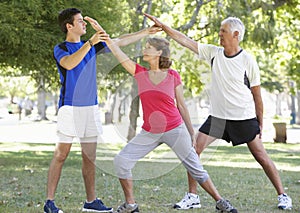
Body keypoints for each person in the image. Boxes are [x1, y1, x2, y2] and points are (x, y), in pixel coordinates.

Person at [144, 13, 293, 211]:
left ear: (236, 34)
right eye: (220, 31)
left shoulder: (248, 60)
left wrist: (260, 123)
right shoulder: (214, 53)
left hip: (243, 118)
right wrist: (164, 26)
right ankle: (192, 196)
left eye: (223, 31)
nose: (219, 34)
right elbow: (185, 41)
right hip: (218, 118)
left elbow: (257, 95)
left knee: (261, 157)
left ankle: (283, 195)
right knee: (193, 150)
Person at [44, 8, 161, 213]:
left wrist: (146, 33)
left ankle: (91, 201)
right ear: (68, 26)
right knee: (61, 155)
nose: (84, 24)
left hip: (90, 108)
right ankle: (49, 202)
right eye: (80, 21)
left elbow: (120, 41)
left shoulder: (93, 46)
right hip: (70, 108)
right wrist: (90, 42)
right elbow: (70, 64)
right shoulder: (61, 47)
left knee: (89, 157)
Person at [105, 32, 238, 212]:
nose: (144, 50)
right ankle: (130, 204)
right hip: (149, 132)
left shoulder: (173, 75)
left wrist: (191, 132)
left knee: (196, 169)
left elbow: (182, 106)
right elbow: (119, 55)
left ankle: (221, 202)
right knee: (121, 161)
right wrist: (106, 38)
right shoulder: (140, 73)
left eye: (148, 48)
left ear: (159, 53)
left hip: (175, 128)